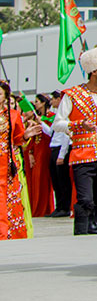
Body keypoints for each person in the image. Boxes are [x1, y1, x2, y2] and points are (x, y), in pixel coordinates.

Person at [51, 46, 97, 235]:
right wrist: (78, 125)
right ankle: (81, 233)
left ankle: (93, 233)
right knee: (85, 199)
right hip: (81, 155)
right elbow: (57, 123)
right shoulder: (72, 95)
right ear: (94, 71)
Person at [1, 81, 28, 239]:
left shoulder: (13, 115)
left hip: (6, 163)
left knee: (7, 200)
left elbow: (18, 139)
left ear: (5, 96)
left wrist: (26, 135)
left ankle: (7, 234)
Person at [21, 94, 53, 218]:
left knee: (42, 180)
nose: (35, 104)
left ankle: (44, 208)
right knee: (34, 180)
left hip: (45, 151)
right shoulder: (35, 119)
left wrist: (40, 122)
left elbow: (51, 133)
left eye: (37, 101)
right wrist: (30, 153)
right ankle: (35, 208)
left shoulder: (50, 117)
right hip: (36, 151)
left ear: (43, 103)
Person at [46, 92, 72, 217]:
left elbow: (65, 138)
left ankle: (64, 207)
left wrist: (62, 155)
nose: (51, 102)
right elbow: (51, 132)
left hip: (61, 149)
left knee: (62, 180)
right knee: (56, 180)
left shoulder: (65, 117)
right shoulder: (57, 116)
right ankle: (59, 206)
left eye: (53, 99)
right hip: (54, 148)